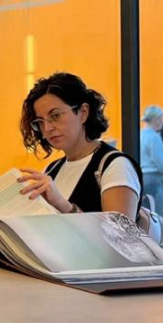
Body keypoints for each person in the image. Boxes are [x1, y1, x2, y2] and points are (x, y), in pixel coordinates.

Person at [17, 72, 141, 218]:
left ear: (83, 113)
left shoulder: (115, 165)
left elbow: (121, 231)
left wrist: (64, 206)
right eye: (40, 122)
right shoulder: (51, 170)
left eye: (55, 116)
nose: (47, 128)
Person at [139, 106, 163, 234]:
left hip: (140, 179)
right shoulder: (153, 137)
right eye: (161, 118)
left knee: (145, 221)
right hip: (154, 180)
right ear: (155, 119)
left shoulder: (140, 135)